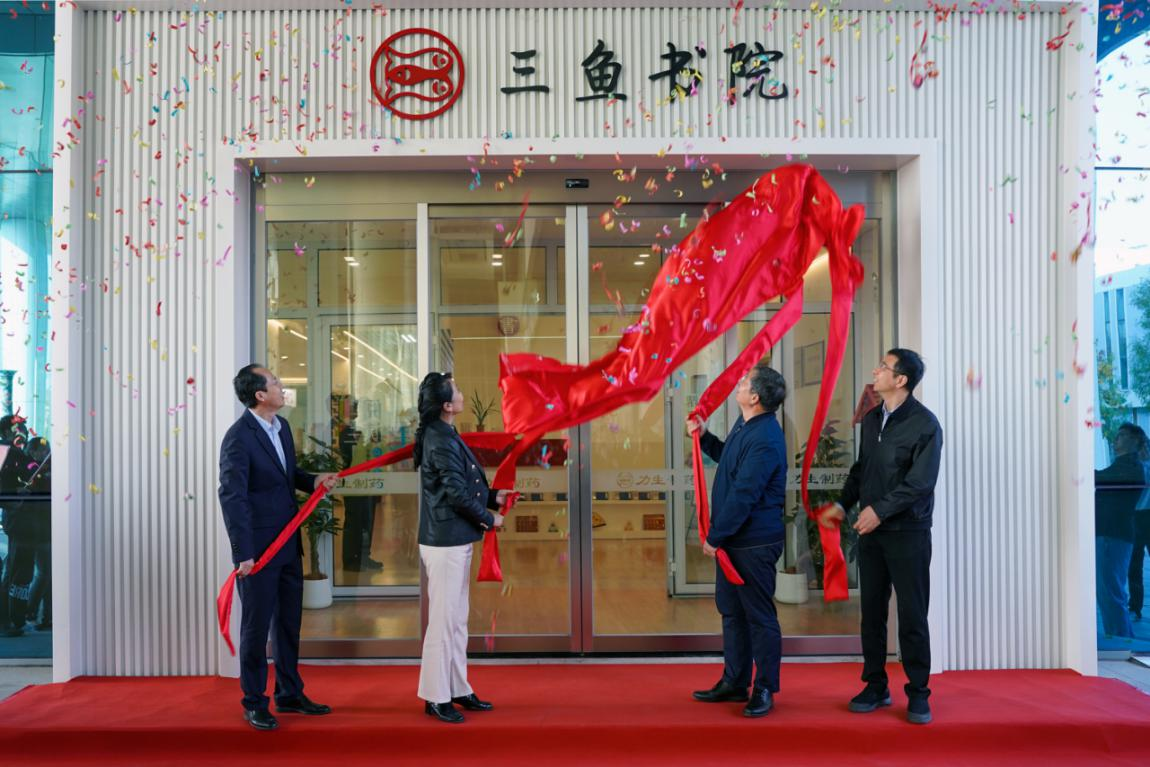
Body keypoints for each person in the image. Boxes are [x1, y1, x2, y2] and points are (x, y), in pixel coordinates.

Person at [821, 348, 943, 725]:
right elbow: (862, 469)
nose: (876, 371)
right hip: (871, 533)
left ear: (901, 379)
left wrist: (879, 511)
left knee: (911, 614)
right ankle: (875, 685)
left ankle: (919, 692)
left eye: (884, 367)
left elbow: (920, 483)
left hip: (908, 533)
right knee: (871, 613)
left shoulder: (925, 425)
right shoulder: (873, 418)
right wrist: (843, 504)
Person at [219, 365, 338, 731]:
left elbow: (286, 477)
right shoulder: (239, 438)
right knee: (256, 629)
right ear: (259, 395)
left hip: (288, 543)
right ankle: (254, 701)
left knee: (288, 623)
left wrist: (313, 481)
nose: (281, 386)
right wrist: (243, 553)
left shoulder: (281, 428)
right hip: (258, 553)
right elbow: (232, 497)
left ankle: (289, 692)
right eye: (275, 382)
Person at [687, 362, 788, 718]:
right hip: (734, 541)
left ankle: (765, 687)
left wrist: (715, 536)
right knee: (732, 612)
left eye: (744, 382)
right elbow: (728, 458)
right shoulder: (746, 425)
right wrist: (704, 437)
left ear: (755, 397)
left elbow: (745, 493)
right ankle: (735, 680)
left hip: (753, 543)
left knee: (759, 617)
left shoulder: (766, 438)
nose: (739, 384)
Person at [414, 372, 507, 724]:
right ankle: (436, 696)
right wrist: (489, 518)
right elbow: (455, 494)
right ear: (447, 405)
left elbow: (462, 485)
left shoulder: (444, 433)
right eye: (457, 391)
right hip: (445, 541)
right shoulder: (439, 439)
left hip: (455, 538)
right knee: (443, 621)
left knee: (456, 620)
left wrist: (494, 498)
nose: (463, 394)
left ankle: (456, 687)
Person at [1095, 422, 1146, 639]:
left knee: (1111, 594)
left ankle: (1121, 643)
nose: (1116, 439)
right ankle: (1121, 640)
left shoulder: (1131, 467)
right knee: (1110, 592)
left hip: (1112, 535)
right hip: (1111, 535)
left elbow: (1098, 478)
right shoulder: (1123, 465)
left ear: (1136, 441)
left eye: (1122, 435)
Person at [1127, 434, 1150, 623]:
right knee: (1134, 564)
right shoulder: (1134, 468)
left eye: (1147, 447)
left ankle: (1135, 606)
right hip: (1135, 517)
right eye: (1143, 447)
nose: (1146, 451)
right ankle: (1135, 606)